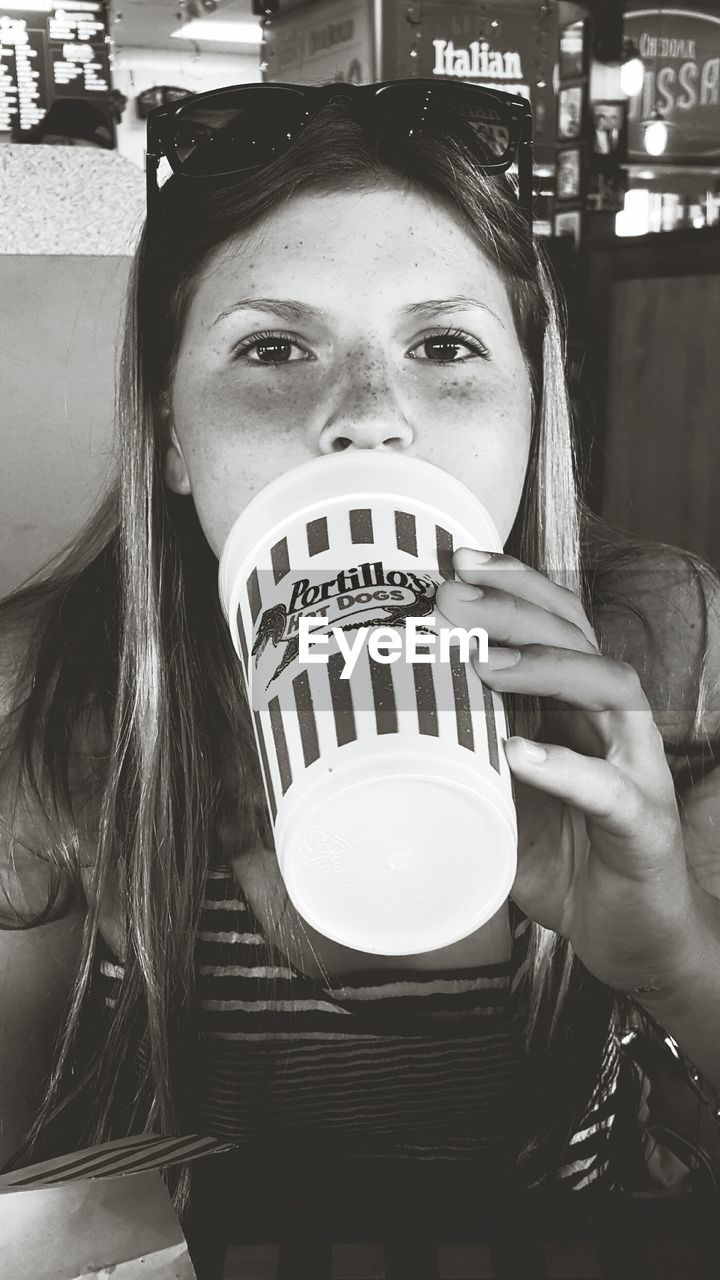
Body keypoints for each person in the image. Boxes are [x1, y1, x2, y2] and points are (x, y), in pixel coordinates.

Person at [1, 79, 719, 1271]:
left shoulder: (663, 641)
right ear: (172, 433)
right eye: (274, 347)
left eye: (445, 346)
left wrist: (676, 954)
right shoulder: (45, 685)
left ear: (532, 407)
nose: (368, 418)